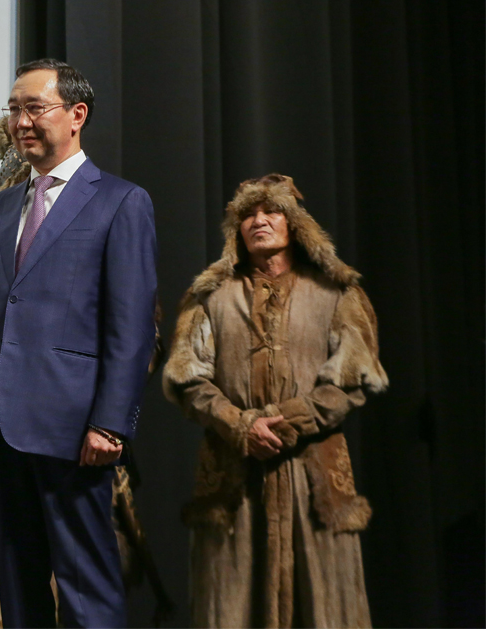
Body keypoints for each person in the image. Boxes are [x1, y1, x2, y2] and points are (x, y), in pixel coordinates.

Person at [0, 60, 159, 628]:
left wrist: (110, 422)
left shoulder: (121, 201)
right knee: (19, 594)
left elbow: (132, 326)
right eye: (14, 110)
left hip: (73, 427)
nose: (21, 121)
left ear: (77, 114)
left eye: (34, 108)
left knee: (87, 588)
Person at [162, 174, 386, 628]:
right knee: (230, 604)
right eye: (247, 214)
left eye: (272, 211)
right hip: (233, 478)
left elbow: (353, 378)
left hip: (314, 478)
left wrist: (289, 420)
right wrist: (239, 424)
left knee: (325, 606)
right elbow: (188, 380)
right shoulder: (209, 297)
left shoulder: (335, 293)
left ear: (296, 223)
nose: (259, 220)